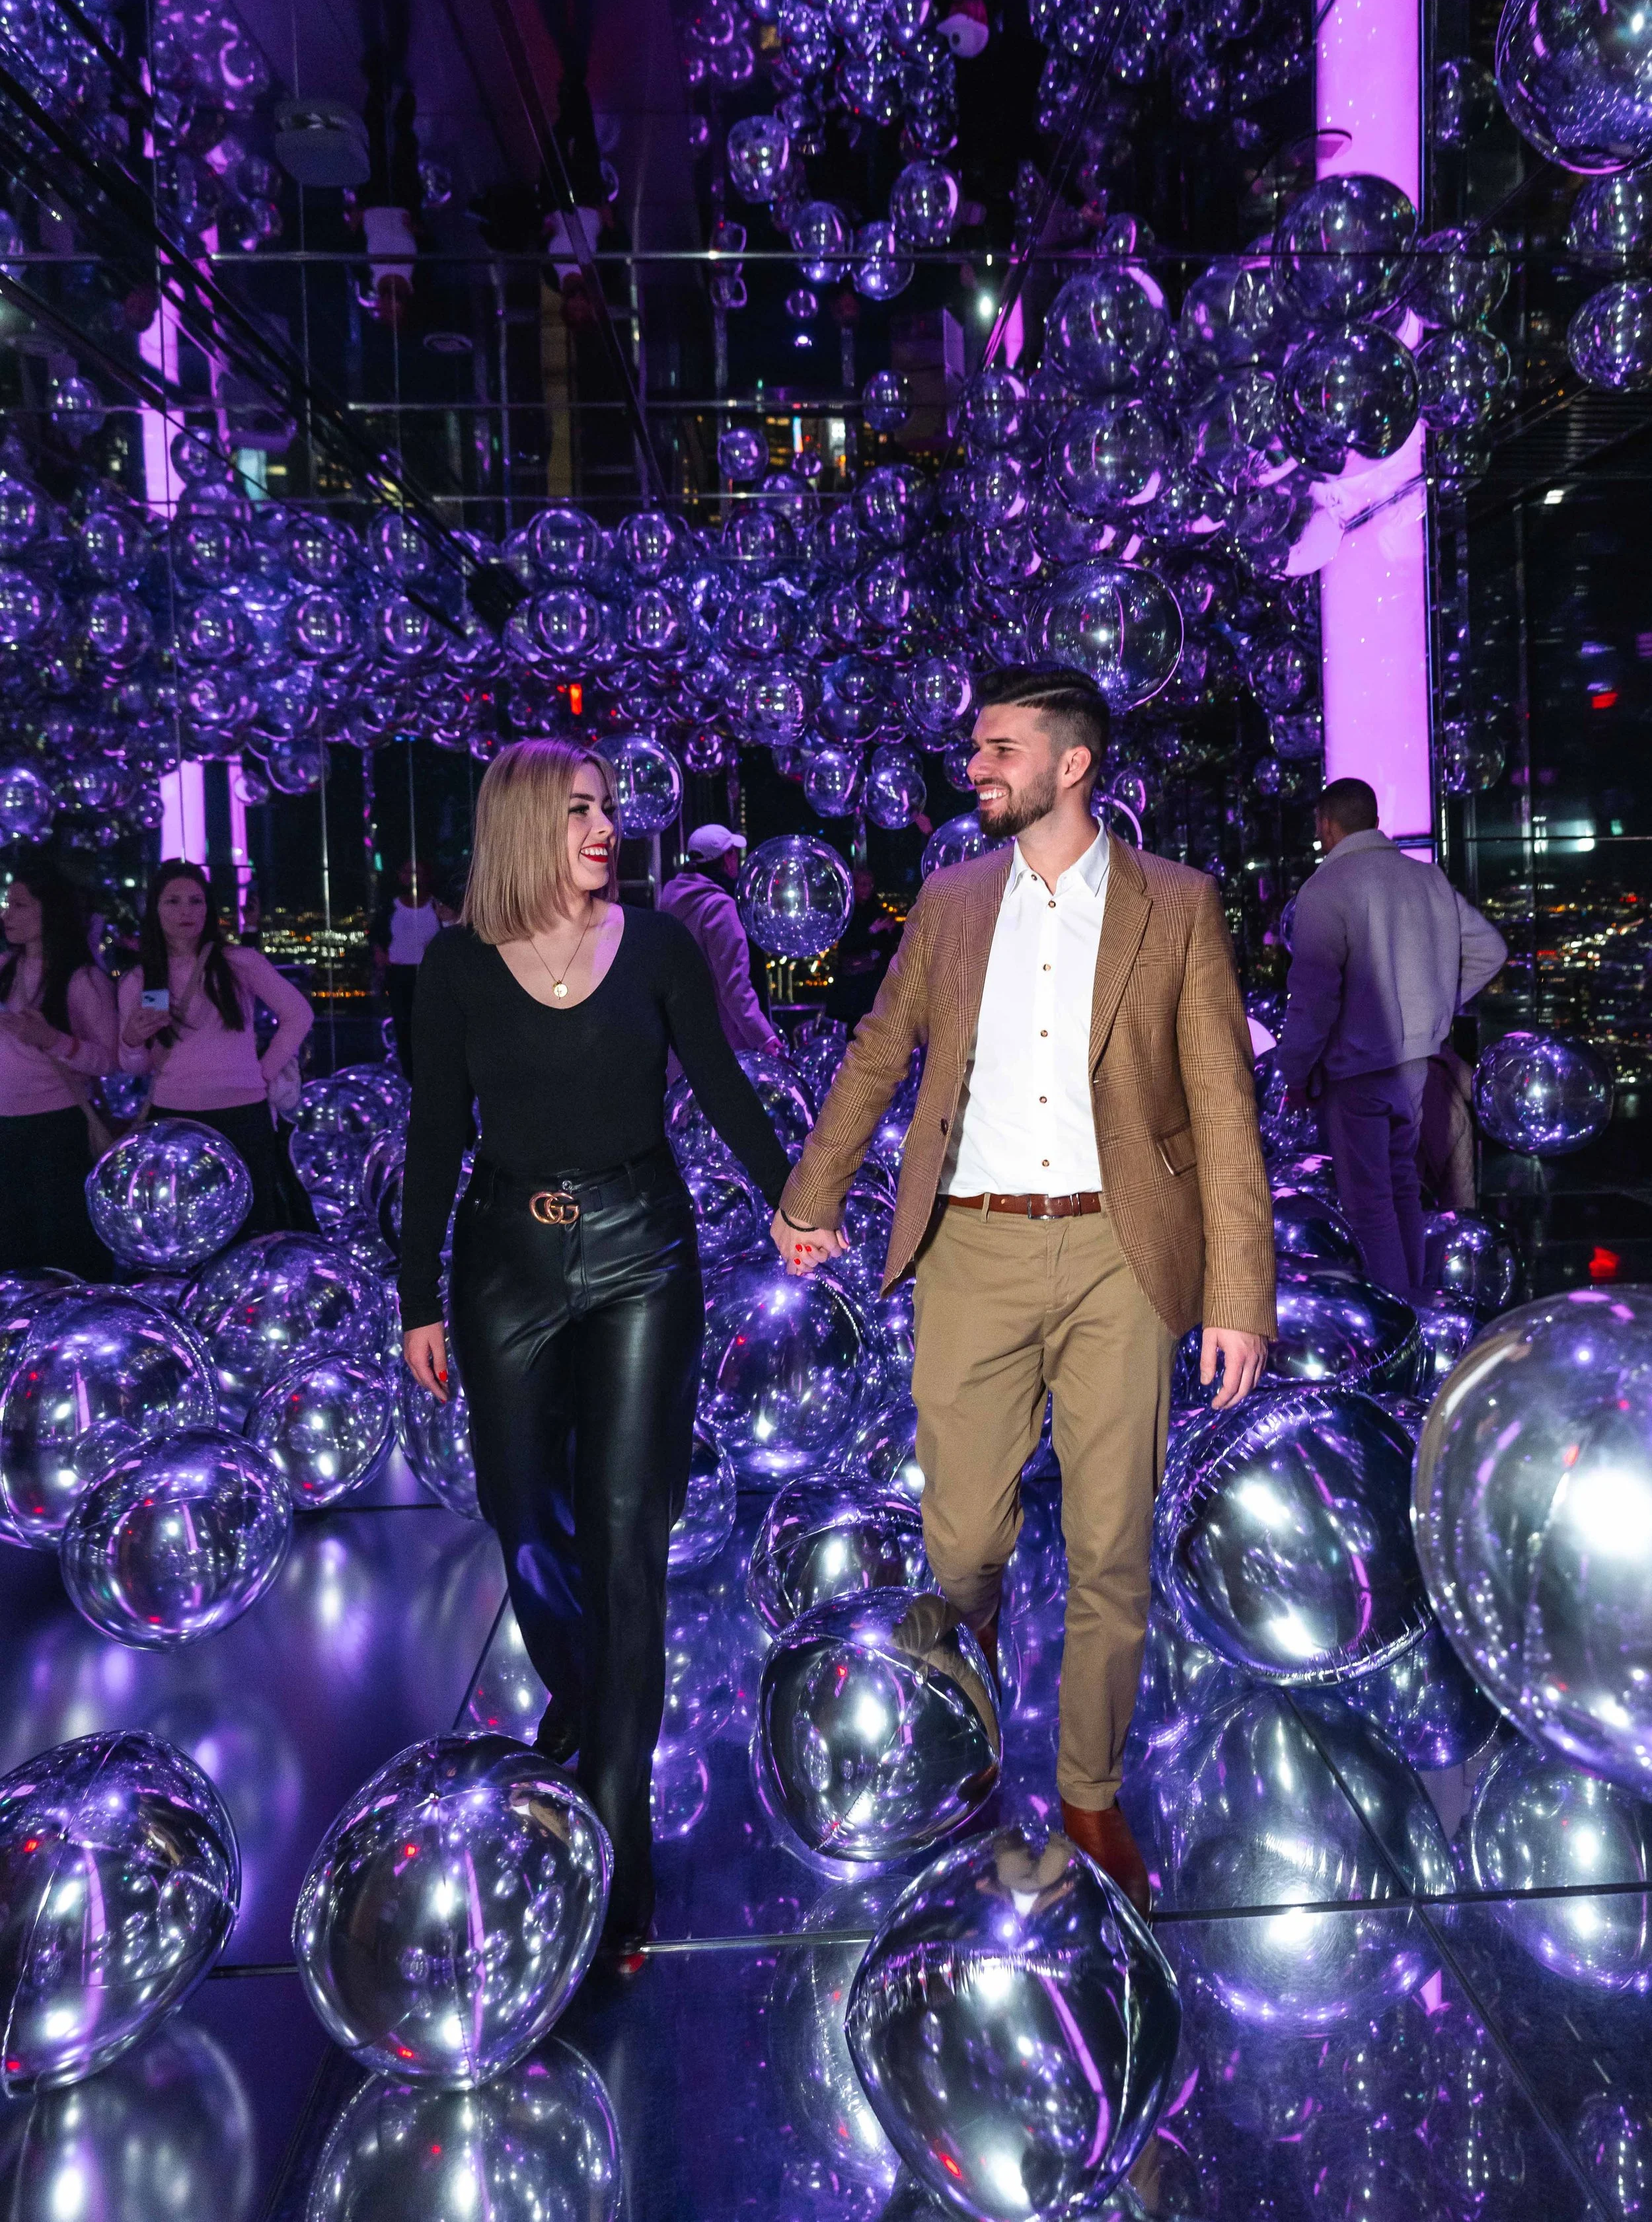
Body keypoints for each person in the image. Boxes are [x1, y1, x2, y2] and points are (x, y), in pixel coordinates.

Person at [771, 663, 1276, 1915]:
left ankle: (1091, 1796)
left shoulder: (1177, 904)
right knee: (965, 1545)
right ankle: (972, 1738)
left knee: (1111, 1544)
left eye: (999, 749)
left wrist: (1238, 1292)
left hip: (1123, 1253)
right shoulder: (948, 903)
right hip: (975, 1250)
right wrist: (812, 1195)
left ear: (1071, 764)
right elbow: (882, 1049)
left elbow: (1222, 1105)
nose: (977, 767)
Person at [398, 740, 793, 1960]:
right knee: (524, 1518)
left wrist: (796, 1199)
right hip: (504, 1261)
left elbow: (725, 1089)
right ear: (524, 825)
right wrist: (419, 1301)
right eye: (581, 811)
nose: (605, 828)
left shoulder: (660, 947)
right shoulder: (458, 969)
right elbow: (431, 1142)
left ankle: (616, 1849)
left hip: (639, 1255)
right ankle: (584, 1695)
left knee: (629, 1536)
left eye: (609, 809)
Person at [1274, 779, 1507, 1300]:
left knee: (1370, 1203)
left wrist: (1294, 1073)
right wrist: (1436, 1004)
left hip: (1355, 1070)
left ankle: (1397, 1324)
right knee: (1403, 1187)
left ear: (1326, 823)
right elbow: (1490, 951)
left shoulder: (1326, 889)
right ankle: (1416, 1306)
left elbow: (1313, 1000)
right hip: (1416, 1065)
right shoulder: (1426, 880)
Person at [118, 860, 317, 1235]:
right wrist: (130, 1038)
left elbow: (299, 1014)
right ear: (155, 909)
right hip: (174, 1113)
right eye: (173, 902)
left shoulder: (237, 963)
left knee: (250, 1227)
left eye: (196, 901)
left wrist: (262, 1072)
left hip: (241, 1112)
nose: (185, 912)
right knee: (182, 1229)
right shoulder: (141, 979)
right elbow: (134, 1065)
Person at [0, 858, 118, 1278]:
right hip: (7, 1126)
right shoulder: (6, 970)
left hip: (56, 1128)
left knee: (60, 1247)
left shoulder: (83, 979)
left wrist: (53, 1040)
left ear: (49, 912)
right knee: (13, 1246)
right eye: (7, 905)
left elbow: (108, 1059)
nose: (7, 915)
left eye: (20, 906)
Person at [657, 824, 778, 1058]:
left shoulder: (672, 900)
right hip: (723, 1042)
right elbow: (734, 985)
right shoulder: (720, 906)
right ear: (726, 859)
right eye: (733, 852)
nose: (736, 860)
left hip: (682, 1035)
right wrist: (765, 1038)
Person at [370, 858, 455, 1078]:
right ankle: (411, 1080)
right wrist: (380, 955)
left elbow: (454, 934)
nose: (412, 877)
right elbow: (377, 937)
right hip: (399, 974)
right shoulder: (390, 907)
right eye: (408, 871)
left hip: (432, 975)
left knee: (434, 1027)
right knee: (404, 1029)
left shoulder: (438, 906)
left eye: (418, 872)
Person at [826, 866, 901, 1029]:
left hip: (873, 980)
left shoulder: (875, 909)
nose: (868, 889)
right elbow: (848, 943)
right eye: (864, 885)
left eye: (870, 885)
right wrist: (872, 931)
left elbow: (890, 939)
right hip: (853, 984)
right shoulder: (847, 911)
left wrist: (890, 929)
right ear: (855, 885)